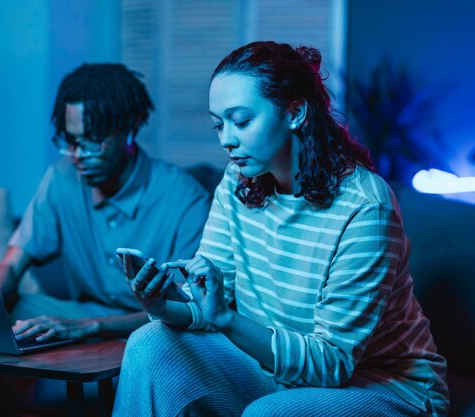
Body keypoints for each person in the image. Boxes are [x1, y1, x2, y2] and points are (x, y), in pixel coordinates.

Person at [113, 41, 449, 417]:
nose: (226, 139)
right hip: (273, 368)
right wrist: (165, 306)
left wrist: (226, 318)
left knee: (269, 413)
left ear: (294, 113)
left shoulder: (365, 206)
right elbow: (208, 305)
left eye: (241, 121)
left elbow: (332, 364)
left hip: (384, 386)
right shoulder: (237, 182)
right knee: (148, 345)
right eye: (218, 124)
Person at [0, 63, 211, 417]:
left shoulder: (185, 199)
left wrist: (86, 327)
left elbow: (189, 313)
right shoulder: (61, 179)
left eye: (93, 139)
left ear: (130, 129)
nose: (79, 154)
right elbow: (13, 263)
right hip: (82, 314)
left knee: (160, 338)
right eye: (71, 141)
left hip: (153, 328)